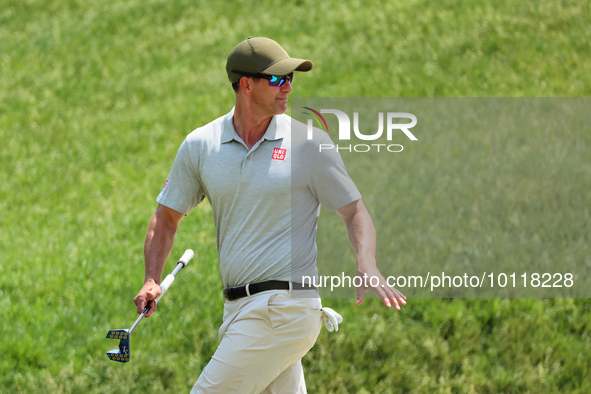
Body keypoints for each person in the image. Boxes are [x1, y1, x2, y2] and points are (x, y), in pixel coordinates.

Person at [133, 36, 406, 394]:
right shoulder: (200, 145)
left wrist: (366, 261)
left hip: (285, 308)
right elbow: (166, 218)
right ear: (246, 84)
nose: (288, 87)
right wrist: (152, 277)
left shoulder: (310, 144)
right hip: (239, 313)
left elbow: (354, 209)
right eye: (278, 79)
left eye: (291, 78)